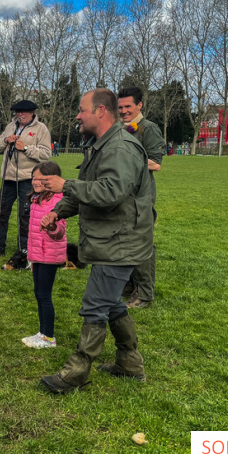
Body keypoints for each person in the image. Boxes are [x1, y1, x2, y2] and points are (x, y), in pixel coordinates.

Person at [37, 89, 153, 394]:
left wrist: (66, 185)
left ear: (101, 111)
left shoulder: (121, 147)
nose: (77, 115)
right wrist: (58, 212)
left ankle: (76, 372)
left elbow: (111, 192)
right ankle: (130, 364)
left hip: (121, 242)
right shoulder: (101, 146)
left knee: (95, 306)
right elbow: (89, 191)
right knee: (111, 302)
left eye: (81, 109)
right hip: (110, 239)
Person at [117, 87, 164, 309]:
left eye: (128, 106)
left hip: (141, 197)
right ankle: (128, 285)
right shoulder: (119, 128)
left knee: (142, 244)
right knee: (123, 240)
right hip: (121, 194)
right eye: (120, 107)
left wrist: (126, 161)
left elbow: (156, 163)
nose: (124, 111)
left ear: (139, 106)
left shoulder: (149, 129)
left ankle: (144, 294)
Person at [0, 99, 52, 270]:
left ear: (32, 113)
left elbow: (46, 154)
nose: (20, 115)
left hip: (27, 179)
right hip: (8, 179)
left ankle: (24, 250)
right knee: (1, 214)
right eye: (17, 112)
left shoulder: (41, 129)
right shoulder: (10, 127)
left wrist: (25, 149)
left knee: (25, 216)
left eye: (23, 112)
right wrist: (5, 141)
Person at [21, 161, 67, 349]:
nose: (36, 182)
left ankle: (48, 337)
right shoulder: (36, 199)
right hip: (38, 256)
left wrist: (52, 227)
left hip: (49, 255)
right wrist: (32, 258)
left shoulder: (58, 201)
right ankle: (42, 333)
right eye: (34, 178)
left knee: (44, 295)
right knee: (39, 293)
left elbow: (60, 232)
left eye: (41, 179)